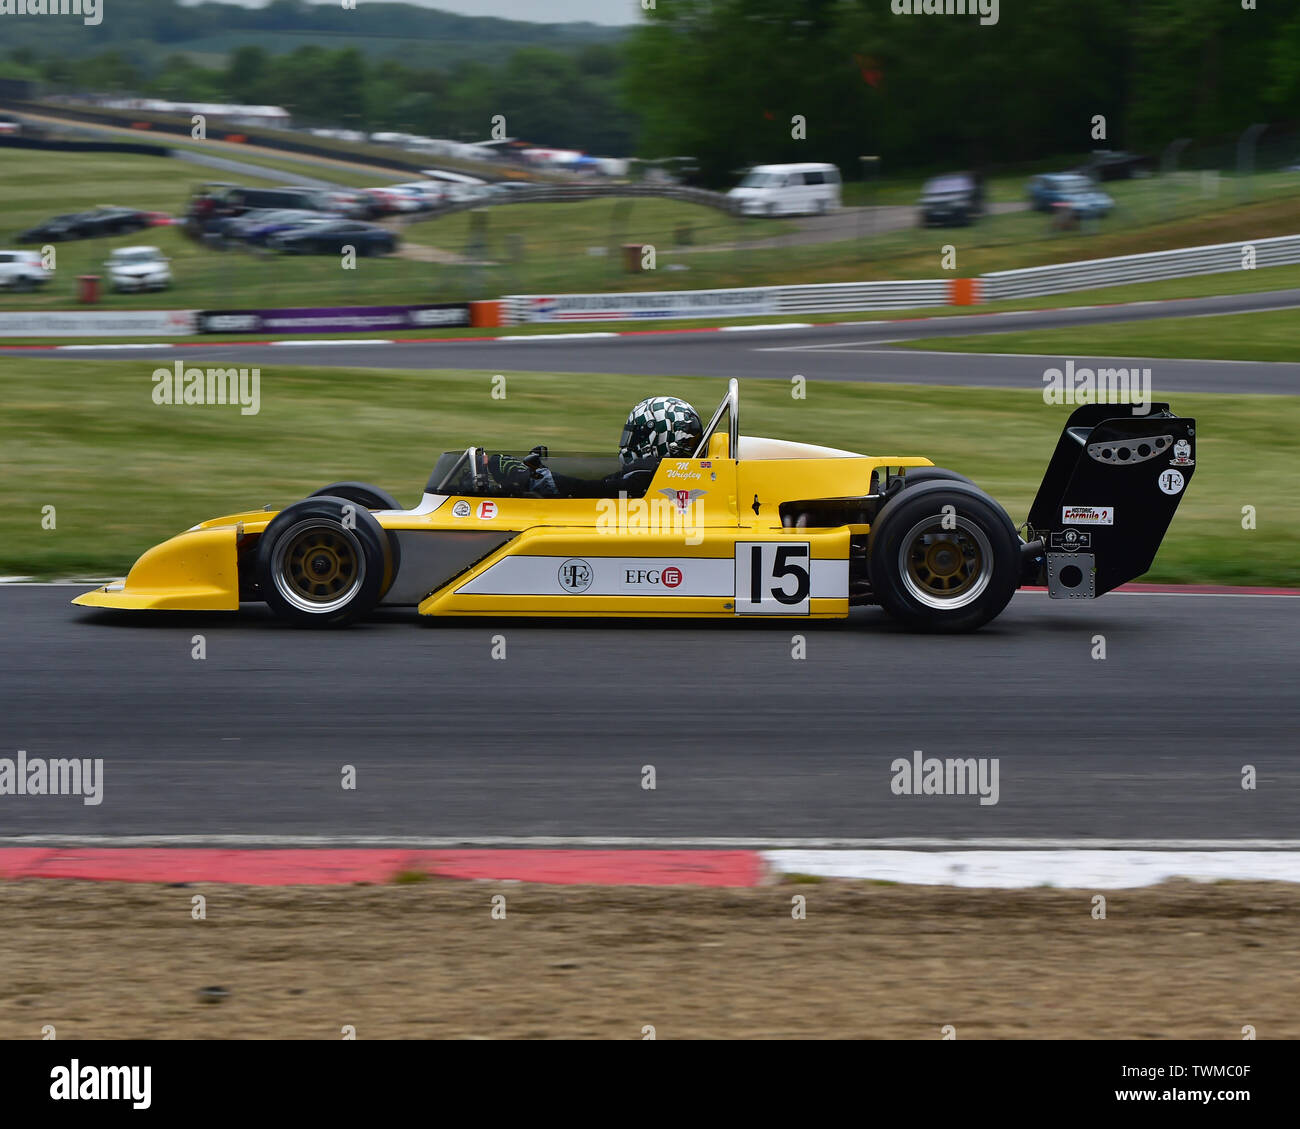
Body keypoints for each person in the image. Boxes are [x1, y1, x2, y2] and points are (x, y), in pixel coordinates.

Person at [488, 396, 703, 498]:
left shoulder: (645, 475)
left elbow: (591, 491)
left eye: (636, 435)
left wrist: (534, 478)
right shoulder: (676, 476)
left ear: (660, 437)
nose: (630, 442)